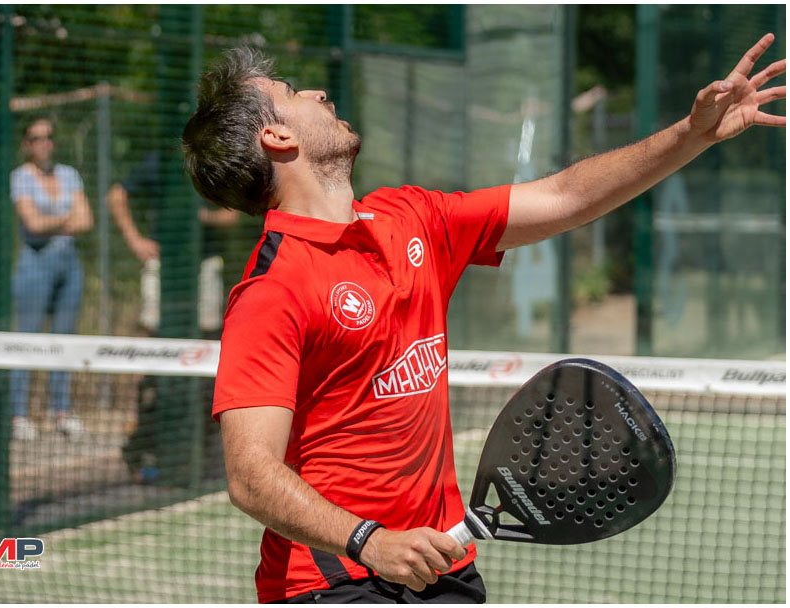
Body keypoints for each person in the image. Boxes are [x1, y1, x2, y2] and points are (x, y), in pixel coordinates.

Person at [180, 37, 785, 604]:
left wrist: (691, 135)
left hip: (443, 563)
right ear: (277, 136)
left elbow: (565, 196)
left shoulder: (410, 216)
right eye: (291, 92)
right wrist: (371, 541)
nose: (317, 93)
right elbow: (251, 476)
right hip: (335, 580)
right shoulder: (272, 290)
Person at [107, 151, 238, 482]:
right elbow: (116, 195)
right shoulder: (158, 162)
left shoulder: (215, 162)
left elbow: (232, 216)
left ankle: (203, 452)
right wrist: (135, 240)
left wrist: (197, 216)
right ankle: (144, 446)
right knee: (154, 356)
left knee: (207, 358)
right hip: (164, 267)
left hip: (203, 268)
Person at [9, 117, 93, 440]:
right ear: (26, 144)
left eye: (48, 137)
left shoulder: (68, 174)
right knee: (27, 339)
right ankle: (19, 414)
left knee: (64, 339)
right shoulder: (20, 177)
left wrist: (50, 221)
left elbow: (86, 220)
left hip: (68, 264)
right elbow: (32, 224)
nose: (44, 143)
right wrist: (66, 217)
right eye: (36, 137)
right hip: (35, 265)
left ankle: (62, 412)